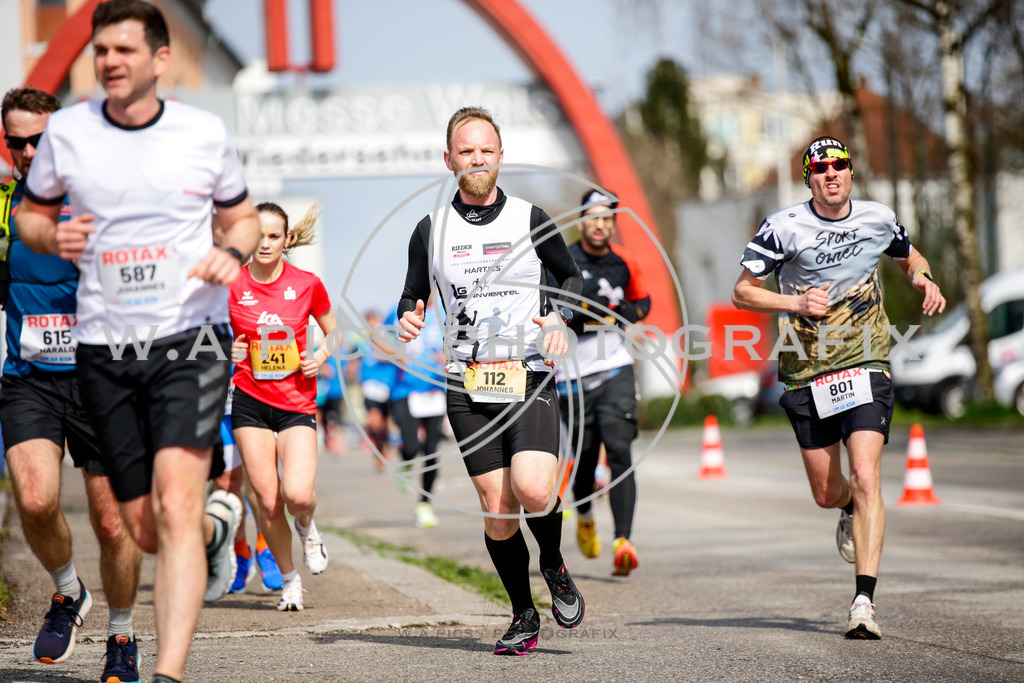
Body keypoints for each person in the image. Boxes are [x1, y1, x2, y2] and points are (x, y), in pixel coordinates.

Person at [15, 2, 261, 680]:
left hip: (190, 337)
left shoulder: (203, 132)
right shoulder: (66, 133)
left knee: (174, 504)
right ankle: (216, 527)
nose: (109, 61)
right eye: (100, 51)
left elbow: (240, 219)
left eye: (124, 49)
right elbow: (31, 220)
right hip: (105, 346)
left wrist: (232, 255)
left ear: (159, 60)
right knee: (142, 528)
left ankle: (168, 671)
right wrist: (51, 235)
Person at [732, 136, 946, 640]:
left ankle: (863, 602)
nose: (832, 174)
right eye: (821, 167)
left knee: (868, 473)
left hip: (866, 360)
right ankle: (847, 507)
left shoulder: (877, 217)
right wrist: (796, 305)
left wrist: (923, 278)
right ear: (809, 177)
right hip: (807, 368)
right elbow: (742, 292)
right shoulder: (783, 228)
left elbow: (910, 256)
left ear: (851, 172)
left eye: (840, 165)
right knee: (827, 492)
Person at [397, 106, 587, 655]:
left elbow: (570, 276)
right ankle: (522, 613)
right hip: (467, 383)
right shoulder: (430, 229)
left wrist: (559, 316)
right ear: (449, 160)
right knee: (499, 510)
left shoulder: (530, 218)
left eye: (486, 151)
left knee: (534, 489)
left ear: (500, 156)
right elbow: (412, 294)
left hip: (528, 374)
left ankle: (551, 564)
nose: (476, 160)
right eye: (466, 151)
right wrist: (407, 314)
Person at [0, 86, 144, 683]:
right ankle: (67, 593)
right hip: (29, 378)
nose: (30, 151)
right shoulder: (5, 204)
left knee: (113, 524)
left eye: (40, 138)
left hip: (103, 379)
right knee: (34, 500)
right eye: (18, 141)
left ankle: (122, 633)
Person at [229, 201, 335, 612]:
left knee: (297, 495)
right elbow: (208, 337)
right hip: (250, 402)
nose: (266, 243)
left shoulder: (307, 283)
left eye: (275, 235)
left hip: (296, 404)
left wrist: (322, 354)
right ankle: (291, 582)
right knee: (268, 499)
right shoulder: (232, 285)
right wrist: (229, 349)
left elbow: (335, 332)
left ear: (287, 239)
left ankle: (308, 527)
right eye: (259, 235)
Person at [555, 189, 650, 577]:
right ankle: (585, 513)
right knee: (585, 462)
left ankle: (623, 540)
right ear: (581, 221)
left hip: (615, 369)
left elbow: (643, 302)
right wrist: (591, 318)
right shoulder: (561, 260)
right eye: (594, 217)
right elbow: (553, 311)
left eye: (608, 218)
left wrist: (627, 313)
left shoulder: (624, 261)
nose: (601, 224)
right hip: (571, 379)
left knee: (620, 450)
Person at [385, 302, 446, 528]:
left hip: (435, 390)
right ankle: (406, 463)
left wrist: (447, 354)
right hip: (404, 390)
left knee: (431, 450)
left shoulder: (445, 311)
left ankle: (424, 505)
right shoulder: (398, 310)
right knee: (411, 446)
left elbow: (462, 341)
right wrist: (395, 351)